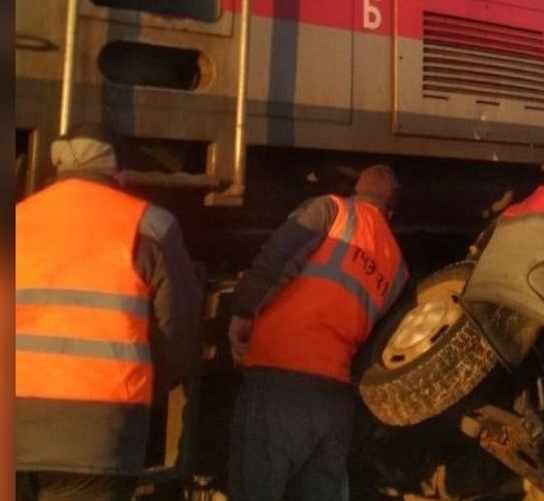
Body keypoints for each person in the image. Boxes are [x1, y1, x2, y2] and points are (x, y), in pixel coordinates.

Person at [15, 125, 204, 501]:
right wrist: (144, 388)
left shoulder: (19, 218)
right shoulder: (150, 225)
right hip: (98, 435)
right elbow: (178, 335)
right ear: (117, 170)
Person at [227, 164, 409, 501]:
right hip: (333, 396)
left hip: (279, 378)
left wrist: (241, 313)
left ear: (356, 192)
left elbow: (275, 261)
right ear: (391, 212)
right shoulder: (398, 266)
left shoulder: (332, 210)